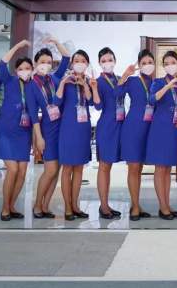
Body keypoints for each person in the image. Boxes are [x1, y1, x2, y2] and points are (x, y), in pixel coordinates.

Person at [28, 37, 71, 219]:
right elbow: (33, 114)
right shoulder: (31, 85)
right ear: (35, 64)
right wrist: (39, 137)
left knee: (57, 170)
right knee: (50, 169)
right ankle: (37, 204)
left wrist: (55, 42)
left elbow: (67, 58)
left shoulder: (55, 78)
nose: (45, 65)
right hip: (48, 129)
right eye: (42, 62)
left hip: (63, 127)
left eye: (48, 62)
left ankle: (46, 206)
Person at [0, 39, 33, 221]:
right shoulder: (9, 80)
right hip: (5, 131)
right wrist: (18, 46)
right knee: (13, 169)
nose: (24, 71)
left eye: (28, 68)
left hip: (24, 133)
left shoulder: (33, 86)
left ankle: (11, 206)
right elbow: (2, 64)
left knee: (22, 172)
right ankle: (4, 208)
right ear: (16, 71)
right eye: (21, 68)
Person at [145, 50, 177, 220]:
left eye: (173, 63)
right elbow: (152, 99)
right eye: (166, 64)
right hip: (160, 128)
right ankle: (162, 207)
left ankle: (167, 204)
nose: (170, 66)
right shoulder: (158, 82)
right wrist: (169, 85)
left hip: (174, 129)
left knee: (168, 168)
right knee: (160, 167)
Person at [56, 49, 94, 221]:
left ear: (87, 64)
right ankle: (67, 207)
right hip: (68, 127)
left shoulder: (89, 80)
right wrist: (63, 83)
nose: (79, 63)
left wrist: (85, 85)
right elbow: (56, 101)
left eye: (82, 60)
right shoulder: (66, 81)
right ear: (71, 63)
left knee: (79, 168)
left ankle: (76, 205)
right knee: (67, 168)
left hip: (83, 128)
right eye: (76, 60)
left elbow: (91, 101)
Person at [118, 49, 155, 221]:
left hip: (150, 129)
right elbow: (117, 93)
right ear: (139, 65)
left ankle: (137, 204)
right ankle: (134, 206)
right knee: (133, 167)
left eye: (150, 62)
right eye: (144, 63)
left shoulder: (156, 83)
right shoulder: (132, 80)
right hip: (133, 127)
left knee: (140, 169)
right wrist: (126, 74)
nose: (147, 65)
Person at [94, 46, 124, 219]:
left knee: (110, 166)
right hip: (106, 126)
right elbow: (98, 106)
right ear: (99, 63)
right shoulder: (98, 81)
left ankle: (107, 204)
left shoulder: (120, 79)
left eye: (110, 60)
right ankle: (103, 206)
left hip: (120, 125)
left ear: (115, 61)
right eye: (104, 60)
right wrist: (93, 89)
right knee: (104, 166)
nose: (107, 63)